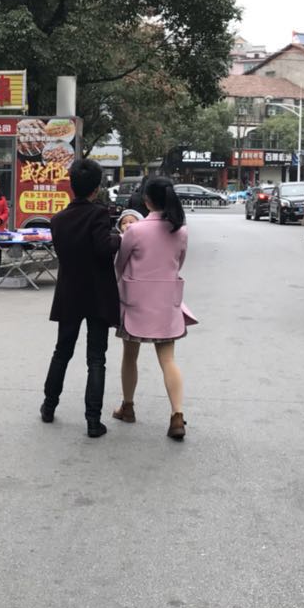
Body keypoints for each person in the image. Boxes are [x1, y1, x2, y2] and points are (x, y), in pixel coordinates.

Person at [41, 159, 120, 439]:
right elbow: (103, 248)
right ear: (96, 188)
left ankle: (49, 406)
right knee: (96, 357)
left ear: (71, 186)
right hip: (97, 294)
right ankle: (93, 421)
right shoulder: (99, 214)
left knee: (62, 351)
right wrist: (118, 238)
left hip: (70, 292)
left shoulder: (58, 220)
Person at [112, 177, 195, 439]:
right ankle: (177, 415)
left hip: (135, 301)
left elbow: (120, 264)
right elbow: (178, 263)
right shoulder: (180, 231)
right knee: (168, 360)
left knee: (130, 355)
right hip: (167, 300)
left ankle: (128, 407)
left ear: (146, 200)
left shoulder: (135, 231)